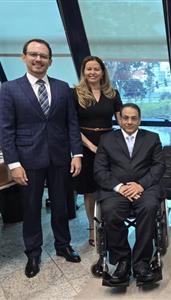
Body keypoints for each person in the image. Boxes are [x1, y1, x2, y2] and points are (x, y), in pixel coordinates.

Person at [0, 39, 82, 278]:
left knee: (61, 205)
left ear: (50, 61)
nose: (38, 59)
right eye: (33, 55)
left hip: (59, 158)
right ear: (23, 57)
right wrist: (13, 164)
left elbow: (71, 124)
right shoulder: (9, 89)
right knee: (31, 208)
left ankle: (63, 245)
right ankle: (33, 252)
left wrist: (76, 154)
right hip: (27, 160)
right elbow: (6, 129)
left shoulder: (62, 87)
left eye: (43, 56)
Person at [93, 103, 165, 286]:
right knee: (110, 210)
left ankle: (141, 263)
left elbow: (159, 167)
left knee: (149, 208)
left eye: (134, 118)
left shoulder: (152, 138)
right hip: (116, 190)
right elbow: (99, 170)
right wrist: (119, 187)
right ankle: (122, 261)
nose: (130, 121)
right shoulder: (107, 139)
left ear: (139, 120)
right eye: (126, 118)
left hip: (144, 188)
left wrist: (140, 185)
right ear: (120, 119)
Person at [72, 56, 122, 246]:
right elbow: (72, 124)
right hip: (84, 145)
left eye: (96, 69)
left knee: (108, 187)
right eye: (88, 69)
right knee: (89, 191)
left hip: (109, 143)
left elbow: (122, 120)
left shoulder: (112, 93)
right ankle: (93, 229)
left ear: (103, 72)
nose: (92, 72)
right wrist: (91, 146)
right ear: (83, 71)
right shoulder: (75, 93)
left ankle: (109, 225)